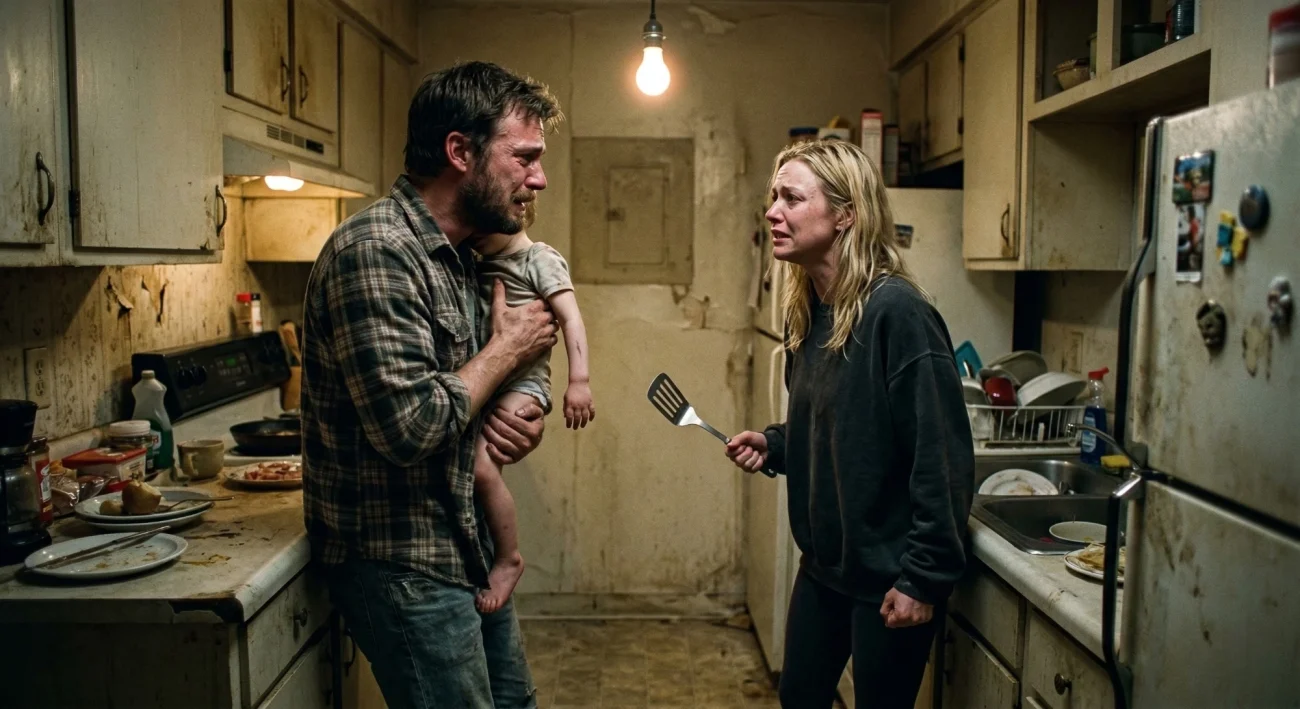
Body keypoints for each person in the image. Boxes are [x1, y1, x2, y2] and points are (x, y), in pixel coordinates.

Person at [301, 61, 562, 708]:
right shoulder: (376, 252)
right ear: (459, 152)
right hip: (404, 566)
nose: (540, 177)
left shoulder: (465, 256)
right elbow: (412, 425)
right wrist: (505, 352)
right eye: (524, 157)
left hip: (464, 543)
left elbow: (499, 373)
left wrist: (524, 406)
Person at [725, 139, 974, 708]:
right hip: (827, 569)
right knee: (799, 698)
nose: (772, 211)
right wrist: (776, 443)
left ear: (845, 215)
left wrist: (922, 580)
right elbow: (842, 430)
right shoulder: (811, 312)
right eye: (773, 197)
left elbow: (942, 458)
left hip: (890, 576)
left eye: (791, 197)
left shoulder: (899, 313)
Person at [472, 202, 595, 614]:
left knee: (482, 468)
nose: (474, 232)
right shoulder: (479, 257)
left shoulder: (539, 259)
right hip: (488, 379)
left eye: (483, 224)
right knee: (481, 472)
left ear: (517, 214)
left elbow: (571, 320)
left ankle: (509, 558)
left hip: (524, 383)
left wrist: (578, 381)